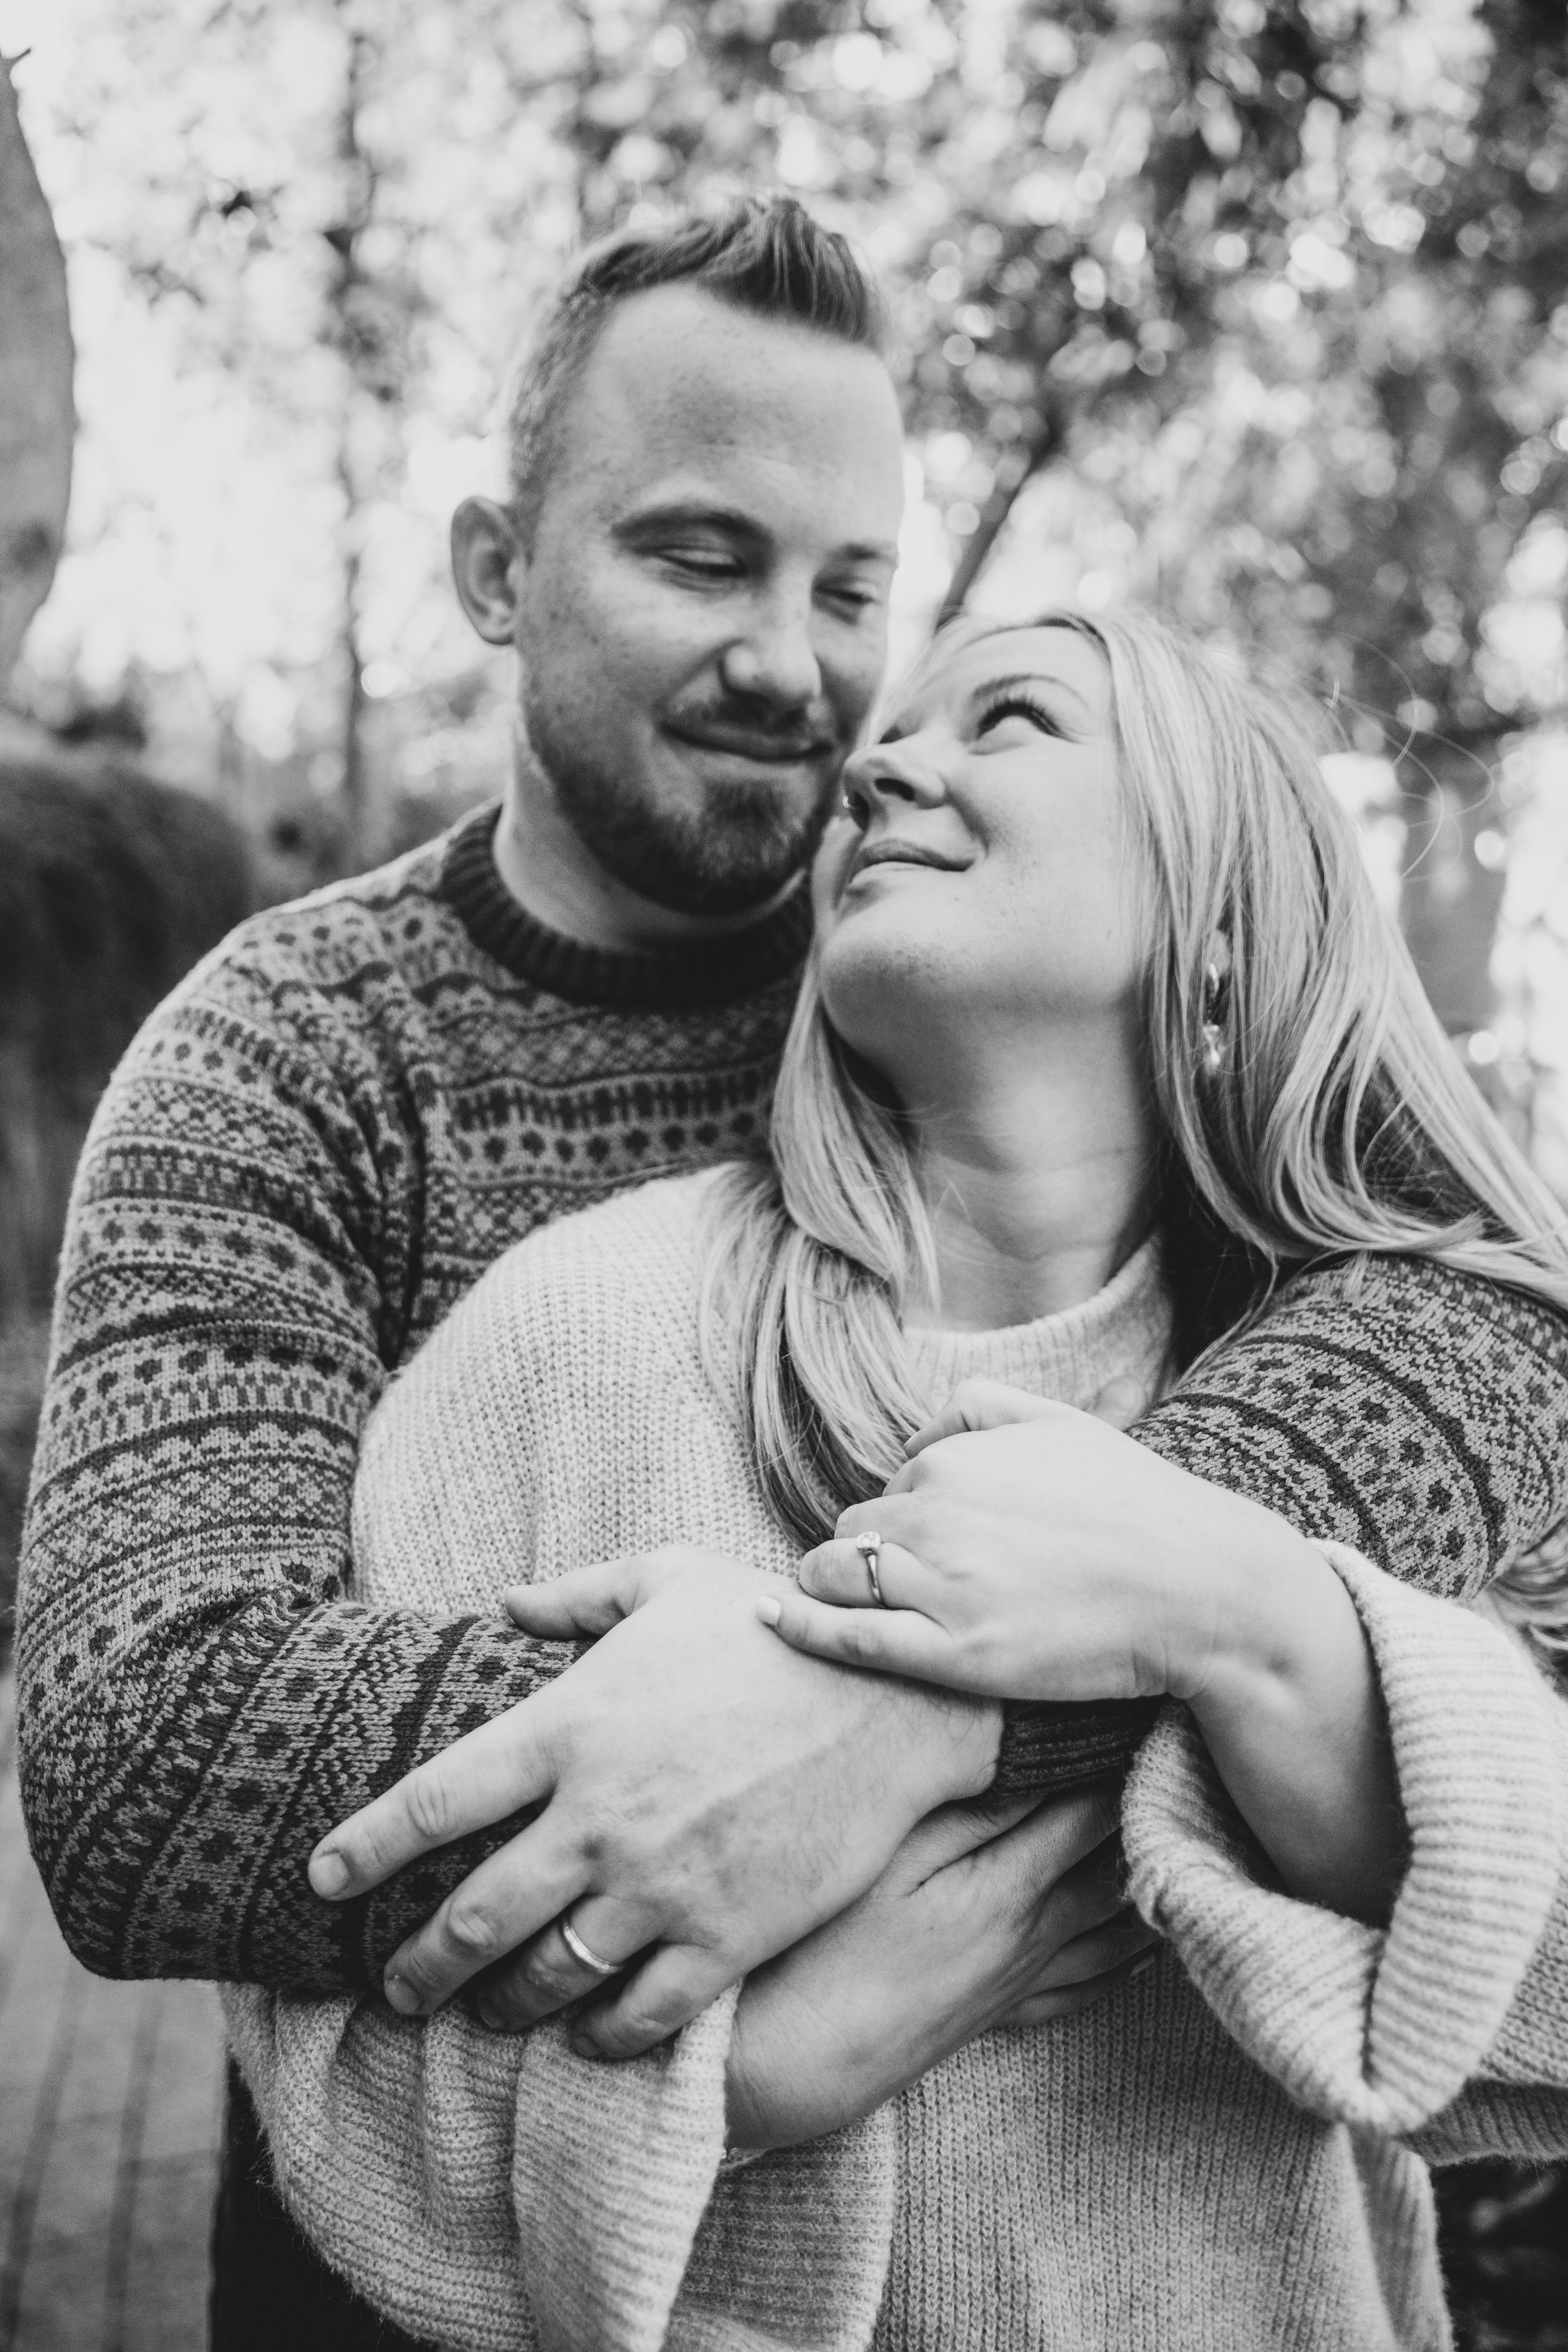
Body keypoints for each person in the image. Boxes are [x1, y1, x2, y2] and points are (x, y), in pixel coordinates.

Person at [14, 201, 1568, 2345]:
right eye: (697, 558)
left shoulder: (999, 988)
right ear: (495, 573)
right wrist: (778, 1792)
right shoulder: (297, 1055)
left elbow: (1479, 1311)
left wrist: (921, 1699)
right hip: (425, 2265)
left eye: (853, 589)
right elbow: (148, 1752)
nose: (803, 674)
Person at [226, 608, 1568, 2352]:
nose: (867, 764)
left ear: (1223, 919)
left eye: (1010, 718)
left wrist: (1255, 1630)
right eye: (892, 741)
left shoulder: (1405, 1409)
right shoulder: (576, 1336)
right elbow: (328, 2081)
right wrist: (737, 2088)